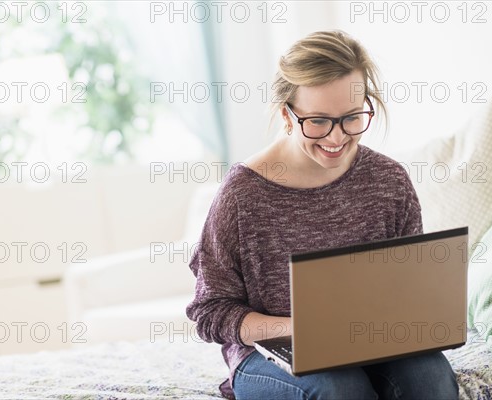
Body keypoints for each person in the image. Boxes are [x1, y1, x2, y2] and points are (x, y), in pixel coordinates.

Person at [186, 30, 458, 400]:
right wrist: (301, 329)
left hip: (371, 344)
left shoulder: (389, 181)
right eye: (318, 121)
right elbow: (209, 312)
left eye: (351, 118)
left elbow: (406, 292)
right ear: (286, 114)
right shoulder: (242, 195)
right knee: (339, 388)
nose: (336, 138)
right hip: (268, 353)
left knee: (430, 375)